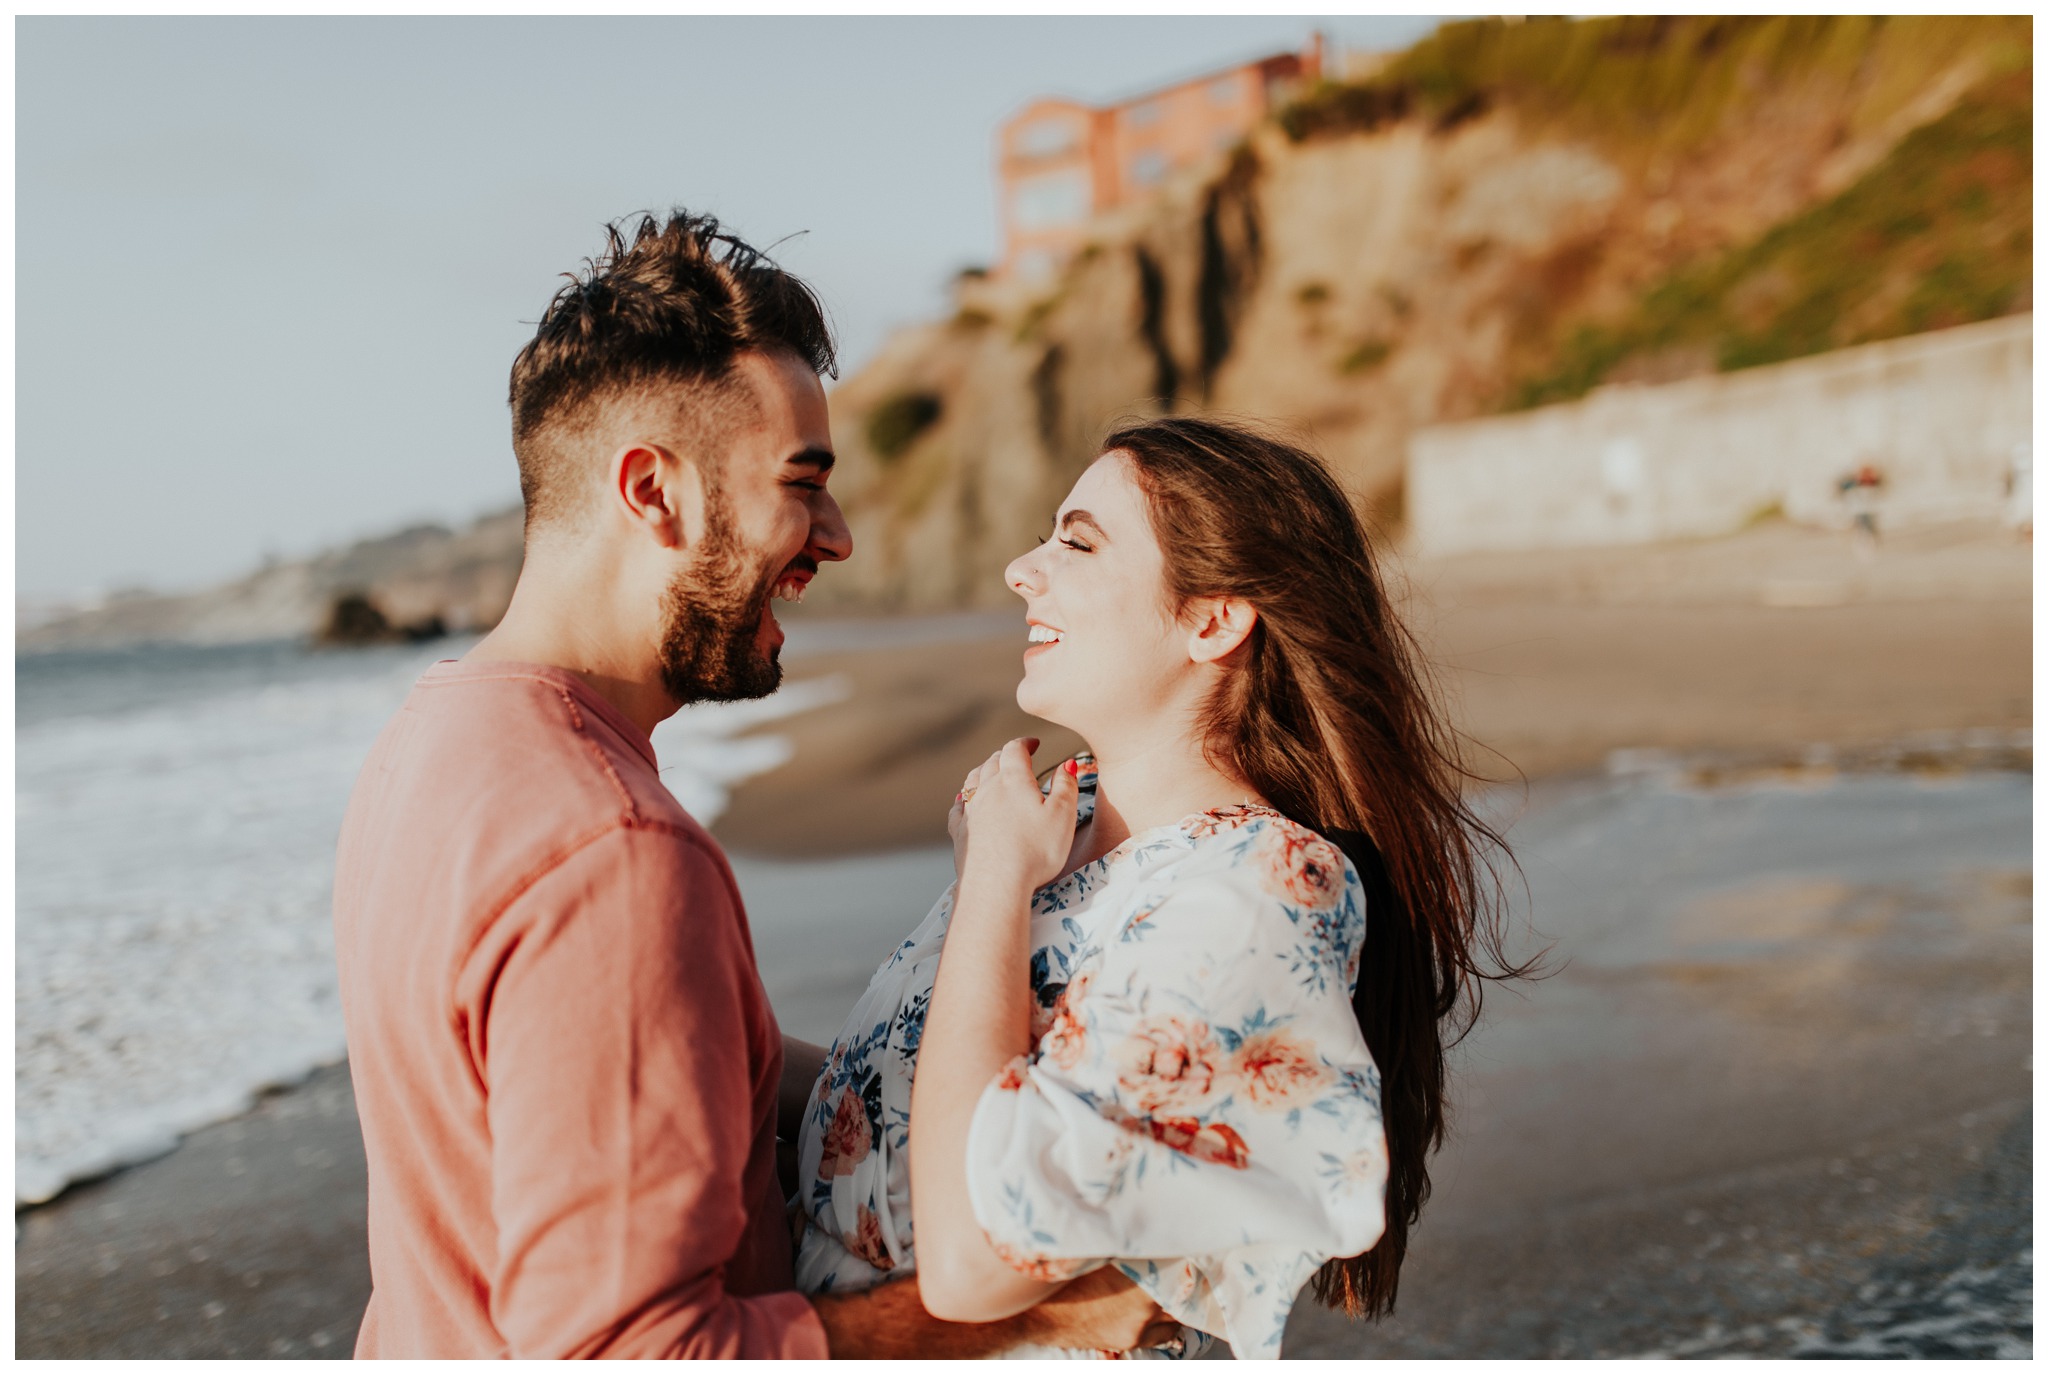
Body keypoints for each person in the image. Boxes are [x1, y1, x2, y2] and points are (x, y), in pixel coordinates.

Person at [330, 211, 1176, 1358]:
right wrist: (1031, 1307)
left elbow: (664, 1058)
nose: (833, 537)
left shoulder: (433, 746)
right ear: (652, 492)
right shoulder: (614, 853)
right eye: (801, 481)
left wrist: (975, 1116)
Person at [792, 418, 1520, 1358]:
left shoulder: (1261, 886)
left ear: (1211, 620)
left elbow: (974, 1263)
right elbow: (889, 1117)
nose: (1022, 566)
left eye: (1077, 540)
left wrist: (993, 885)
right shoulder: (1063, 823)